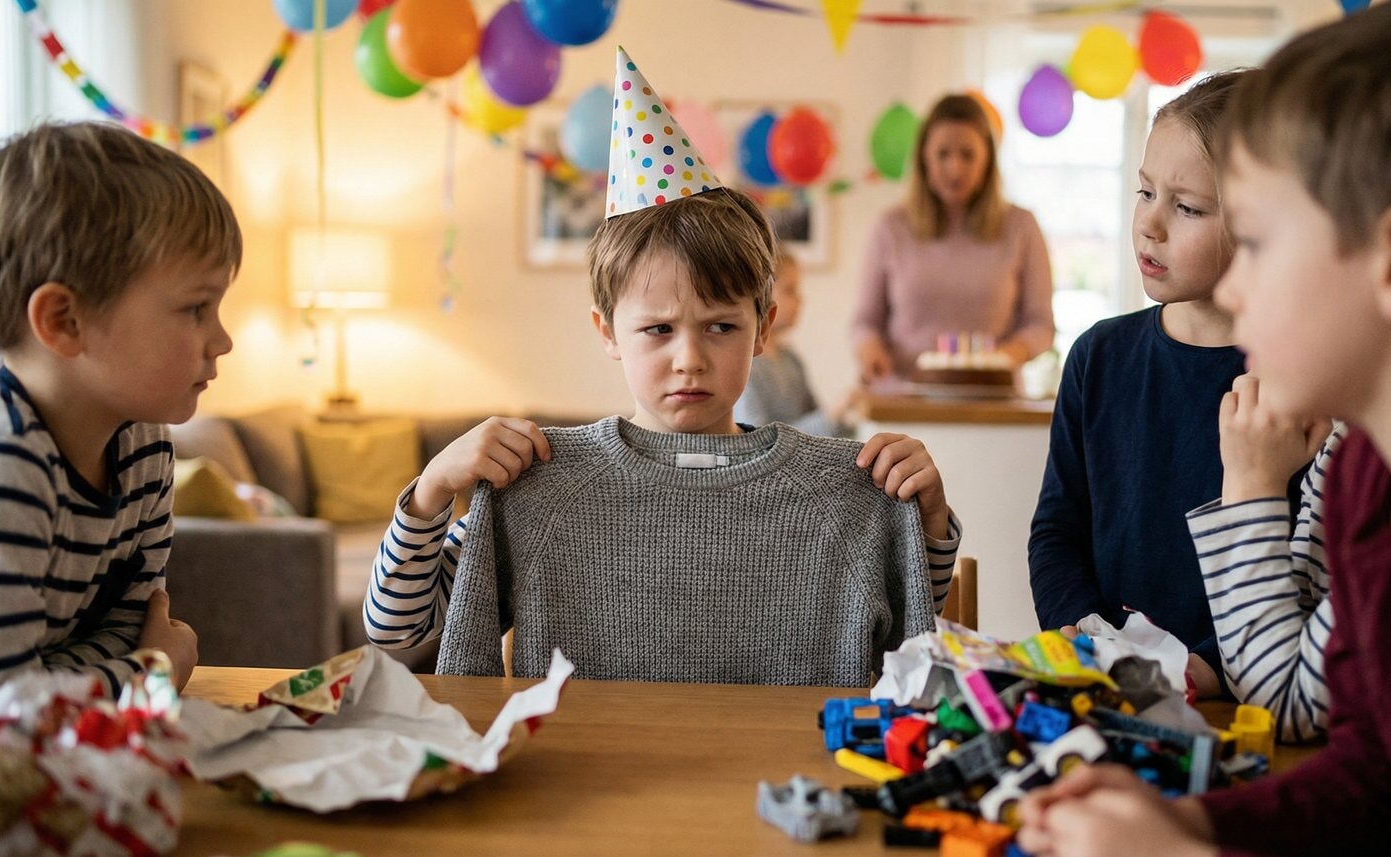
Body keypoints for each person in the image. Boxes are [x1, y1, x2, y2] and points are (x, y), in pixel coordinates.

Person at [1019, 2, 1391, 854]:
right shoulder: (1369, 469)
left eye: (1255, 242)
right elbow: (1380, 779)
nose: (1236, 289)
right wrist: (1190, 820)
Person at [366, 49, 960, 685]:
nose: (689, 359)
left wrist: (926, 520)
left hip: (786, 780)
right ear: (607, 331)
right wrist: (431, 491)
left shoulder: (845, 494)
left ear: (764, 328)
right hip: (584, 781)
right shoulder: (537, 490)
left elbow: (912, 639)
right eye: (657, 329)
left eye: (721, 327)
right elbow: (398, 629)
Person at [1029, 71, 1263, 698]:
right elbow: (1057, 532)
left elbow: (1294, 566)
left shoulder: (1297, 381)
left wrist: (1210, 669)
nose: (1149, 225)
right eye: (1144, 192)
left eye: (1187, 207)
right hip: (1111, 690)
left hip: (1241, 698)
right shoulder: (1097, 356)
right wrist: (1087, 635)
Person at [0, 121, 239, 694]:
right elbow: (9, 712)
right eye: (196, 308)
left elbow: (137, 623)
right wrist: (151, 672)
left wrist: (120, 668)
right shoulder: (8, 466)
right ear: (65, 321)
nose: (222, 340)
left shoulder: (146, 446)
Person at [850, 93, 1054, 382]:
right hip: (904, 397)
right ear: (924, 158)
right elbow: (864, 324)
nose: (955, 168)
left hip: (993, 404)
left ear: (987, 161)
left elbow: (1040, 325)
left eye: (968, 155)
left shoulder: (1021, 227)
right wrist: (870, 350)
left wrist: (1003, 358)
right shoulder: (890, 227)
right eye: (943, 154)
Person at [1188, 374, 1340, 741]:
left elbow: (1287, 704)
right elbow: (1299, 624)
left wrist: (1251, 482)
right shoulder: (1345, 444)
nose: (1238, 312)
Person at [735, 249, 857, 437]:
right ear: (762, 293)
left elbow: (823, 426)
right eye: (790, 290)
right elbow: (757, 440)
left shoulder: (791, 360)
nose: (800, 299)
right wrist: (833, 413)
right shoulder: (746, 366)